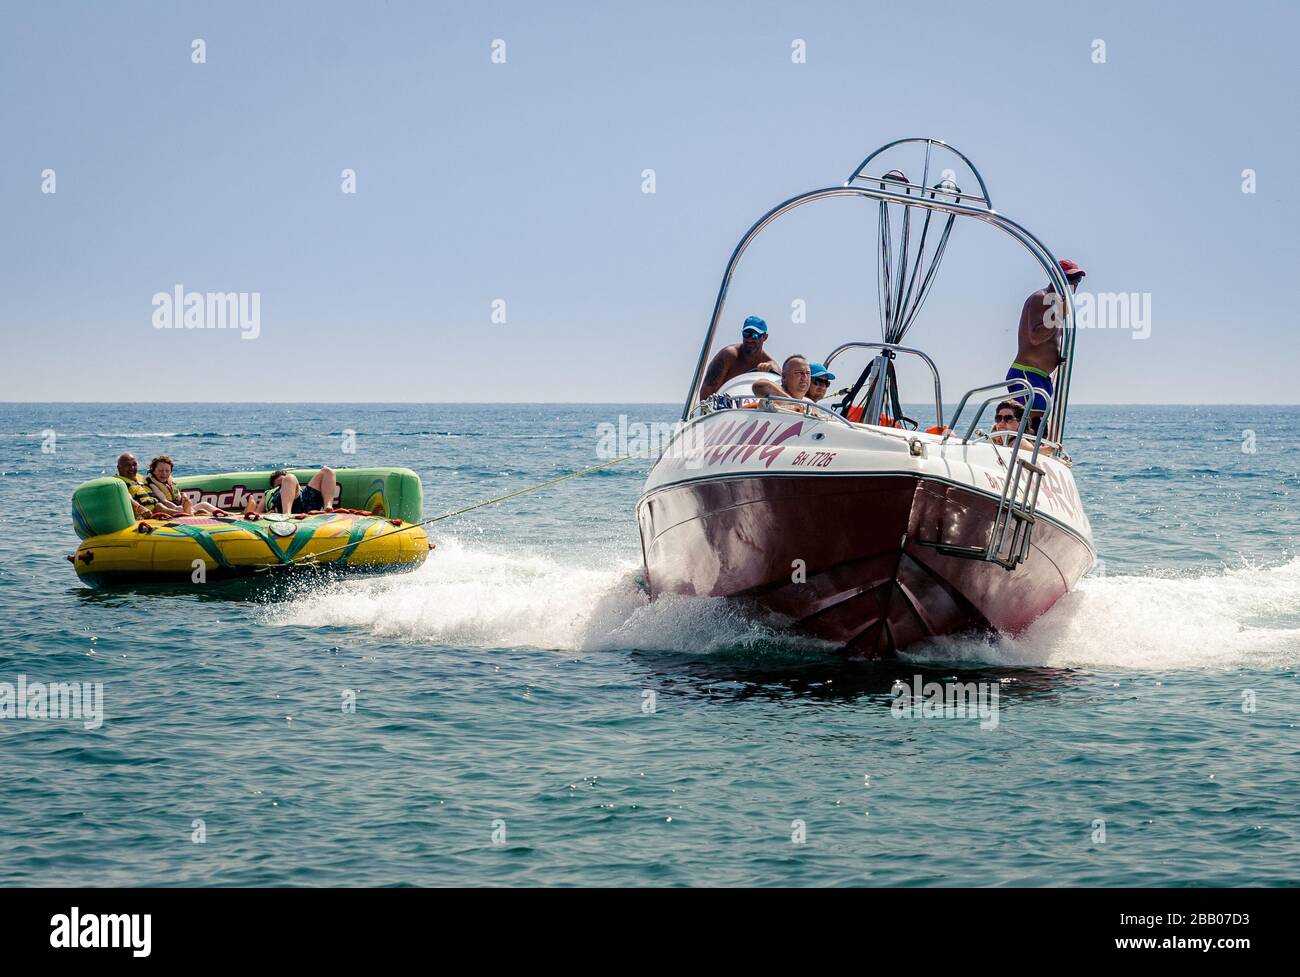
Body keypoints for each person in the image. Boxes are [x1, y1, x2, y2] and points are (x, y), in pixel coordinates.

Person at [1007, 258, 1085, 423]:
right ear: (1055, 277)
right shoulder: (1040, 298)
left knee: (1039, 430)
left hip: (1042, 377)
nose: (1075, 283)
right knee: (1032, 429)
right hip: (1027, 374)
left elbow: (1050, 341)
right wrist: (1061, 314)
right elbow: (1035, 337)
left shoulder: (1056, 304)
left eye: (1078, 279)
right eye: (1070, 278)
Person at [698, 315, 781, 400]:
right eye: (746, 334)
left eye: (755, 335)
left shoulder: (773, 368)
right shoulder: (728, 356)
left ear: (765, 337)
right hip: (725, 411)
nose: (749, 339)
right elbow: (706, 393)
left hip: (757, 411)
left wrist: (766, 378)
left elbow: (784, 400)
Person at [145, 455, 226, 516]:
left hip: (181, 508)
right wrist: (181, 507)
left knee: (204, 504)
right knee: (180, 508)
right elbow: (164, 501)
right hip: (170, 509)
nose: (164, 473)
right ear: (154, 471)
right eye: (160, 470)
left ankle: (227, 514)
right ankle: (198, 514)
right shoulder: (152, 483)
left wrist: (184, 498)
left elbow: (178, 495)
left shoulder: (170, 481)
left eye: (167, 471)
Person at [245, 467, 337, 517]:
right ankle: (286, 515)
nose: (283, 486)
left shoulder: (295, 485)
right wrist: (267, 514)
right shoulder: (268, 493)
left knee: (327, 471)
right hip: (282, 507)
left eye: (284, 483)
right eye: (279, 485)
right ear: (273, 487)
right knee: (290, 478)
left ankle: (328, 507)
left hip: (303, 501)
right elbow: (258, 513)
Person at [114, 452, 164, 518]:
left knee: (161, 506)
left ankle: (179, 511)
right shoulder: (118, 482)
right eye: (127, 465)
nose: (132, 468)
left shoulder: (141, 478)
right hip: (143, 515)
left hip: (158, 509)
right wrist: (140, 508)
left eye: (134, 464)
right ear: (119, 468)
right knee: (160, 507)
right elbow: (126, 496)